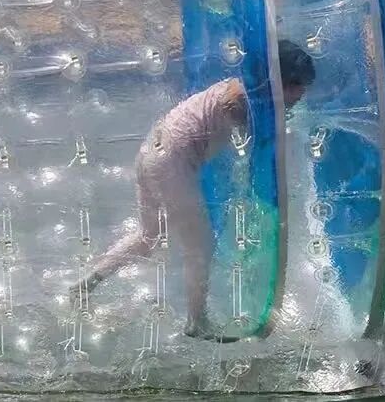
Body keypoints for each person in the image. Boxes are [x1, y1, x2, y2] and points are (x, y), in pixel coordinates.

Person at [72, 40, 316, 341]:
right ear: (280, 81)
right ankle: (197, 322)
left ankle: (86, 282)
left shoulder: (242, 88)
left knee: (149, 237)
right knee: (200, 247)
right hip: (173, 162)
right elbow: (246, 137)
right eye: (297, 87)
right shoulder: (241, 99)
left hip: (152, 151)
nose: (301, 95)